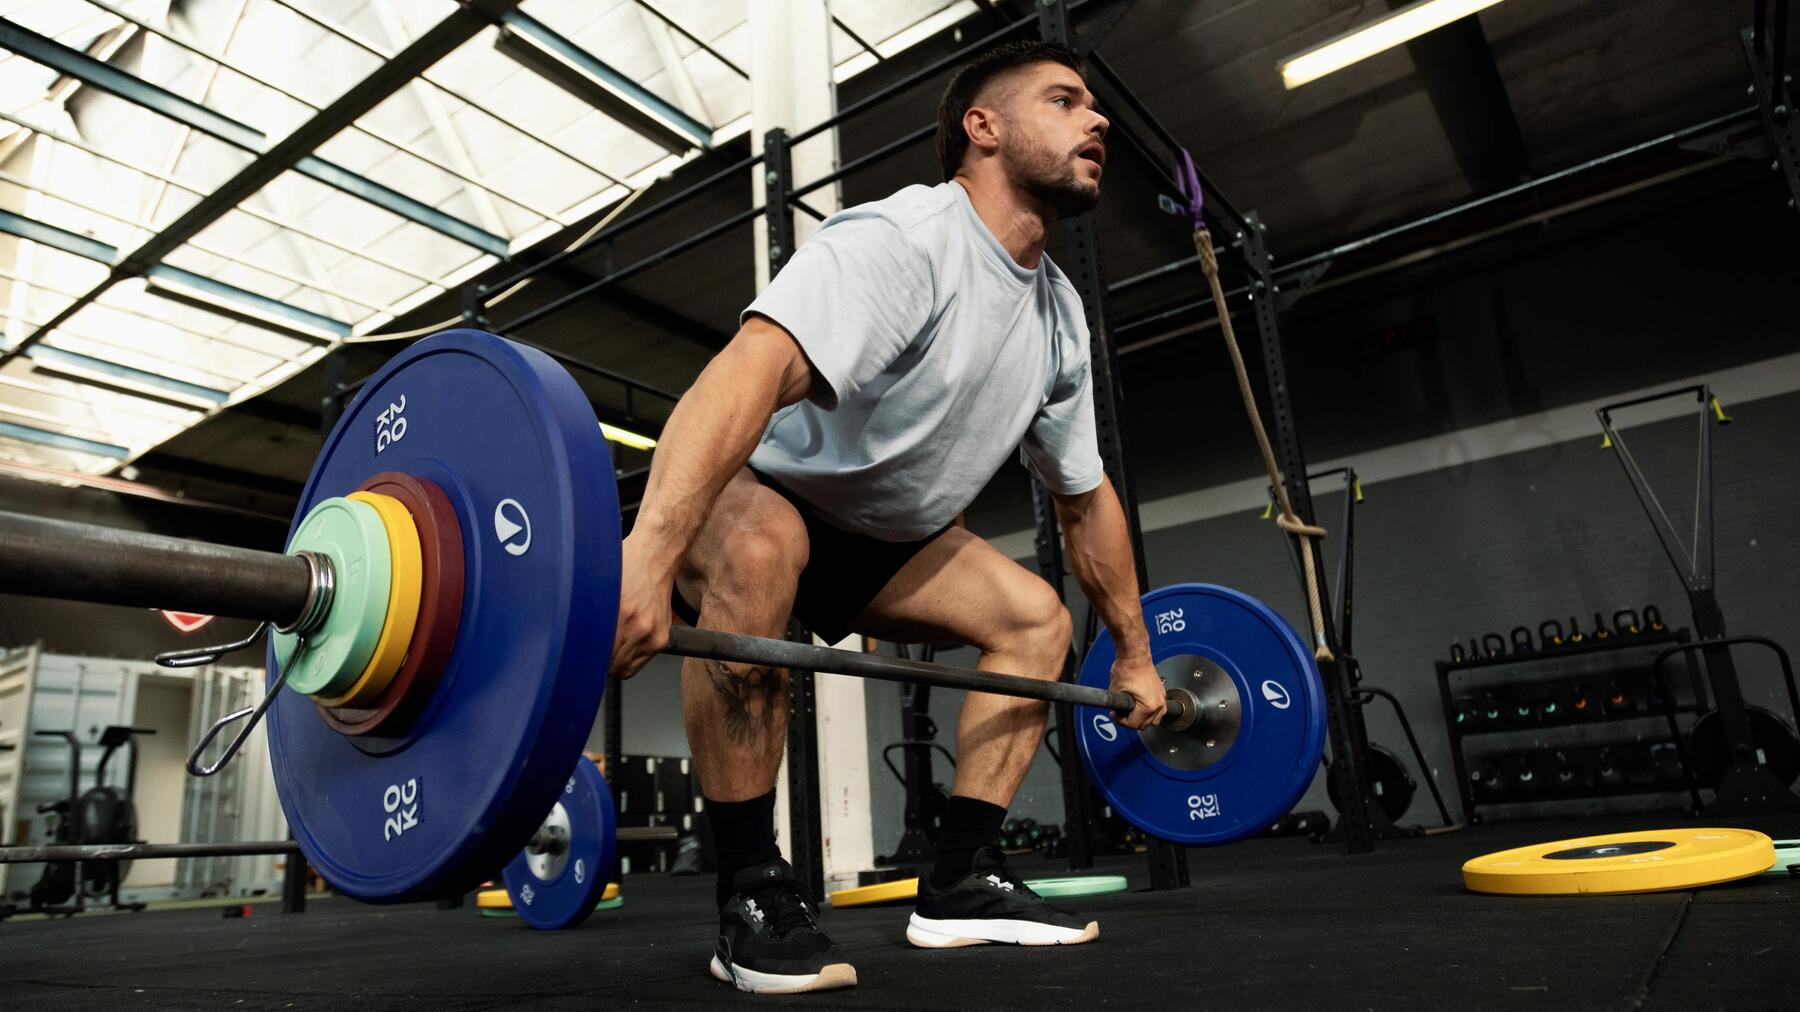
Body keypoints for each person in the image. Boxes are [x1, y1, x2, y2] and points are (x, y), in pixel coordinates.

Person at [609, 39, 1165, 995]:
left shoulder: (1059, 317)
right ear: (982, 129)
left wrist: (1138, 652)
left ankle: (959, 883)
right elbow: (749, 371)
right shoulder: (907, 241)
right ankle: (748, 887)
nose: (1099, 119)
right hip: (772, 495)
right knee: (757, 546)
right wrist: (647, 553)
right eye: (1066, 100)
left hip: (889, 537)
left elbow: (1085, 497)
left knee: (1035, 622)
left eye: (1095, 106)